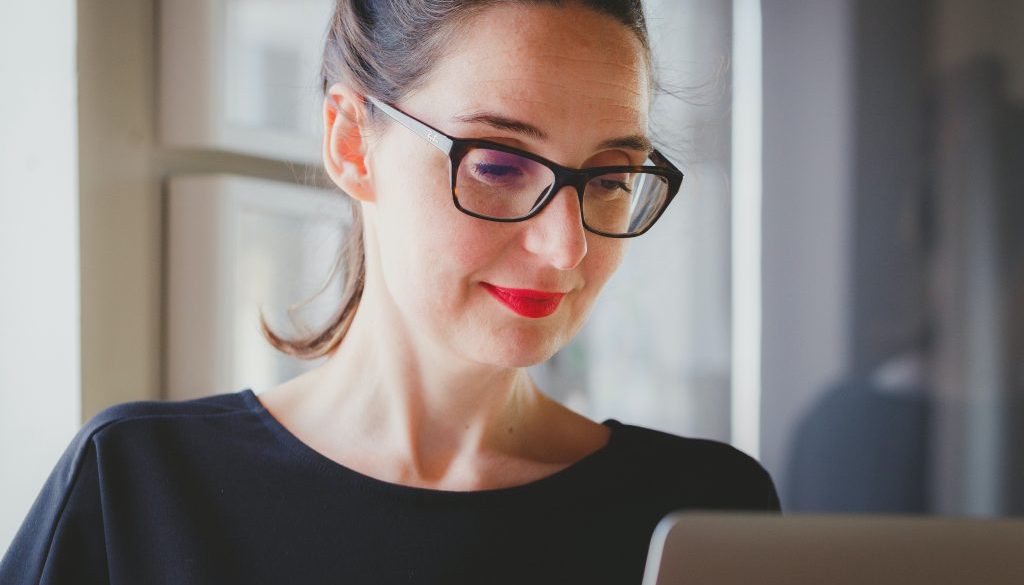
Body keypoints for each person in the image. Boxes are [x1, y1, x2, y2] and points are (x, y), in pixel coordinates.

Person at [0, 1, 780, 583]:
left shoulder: (701, 513)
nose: (567, 246)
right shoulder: (137, 489)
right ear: (350, 141)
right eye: (500, 164)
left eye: (609, 179)